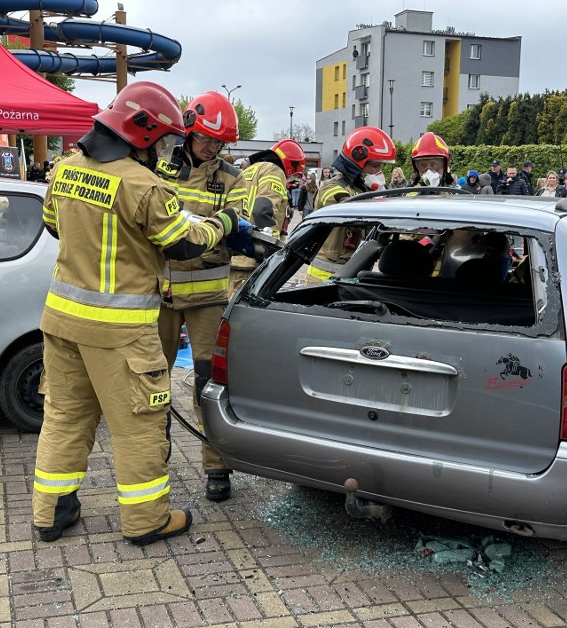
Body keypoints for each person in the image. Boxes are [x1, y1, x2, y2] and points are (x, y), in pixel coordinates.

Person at [32, 82, 242, 544]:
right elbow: (184, 244)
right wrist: (225, 223)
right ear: (143, 134)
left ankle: (51, 512)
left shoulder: (66, 169)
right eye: (163, 139)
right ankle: (147, 520)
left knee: (65, 417)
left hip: (62, 323)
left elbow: (53, 225)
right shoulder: (142, 185)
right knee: (139, 425)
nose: (165, 148)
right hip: (120, 332)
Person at [155, 91, 247, 502]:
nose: (213, 148)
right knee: (151, 380)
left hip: (208, 297)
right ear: (189, 131)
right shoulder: (158, 167)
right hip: (160, 295)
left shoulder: (232, 177)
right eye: (207, 139)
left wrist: (196, 237)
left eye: (219, 142)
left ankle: (216, 466)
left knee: (209, 383)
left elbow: (237, 226)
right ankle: (153, 456)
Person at [306, 126, 396, 282]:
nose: (378, 172)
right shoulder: (332, 187)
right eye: (375, 166)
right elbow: (350, 211)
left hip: (351, 272)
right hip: (323, 274)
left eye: (380, 167)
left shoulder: (361, 189)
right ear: (357, 162)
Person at [229, 138, 305, 295]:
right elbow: (262, 210)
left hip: (236, 253)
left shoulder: (251, 170)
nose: (292, 180)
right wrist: (274, 251)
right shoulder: (275, 171)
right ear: (292, 166)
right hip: (252, 257)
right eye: (295, 176)